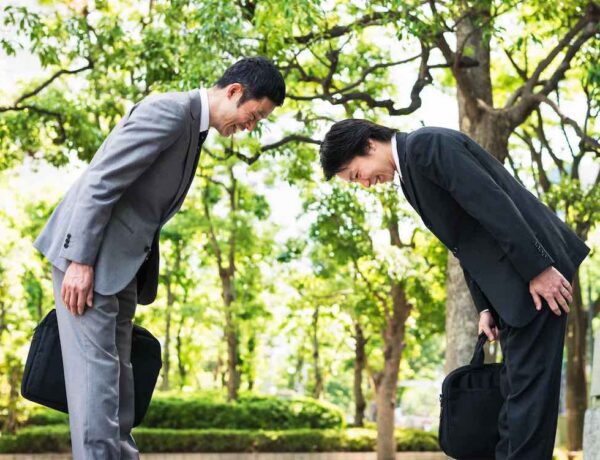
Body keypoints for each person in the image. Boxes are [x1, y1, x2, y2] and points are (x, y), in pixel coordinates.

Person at [33, 56, 286, 459]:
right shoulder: (168, 111)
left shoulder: (192, 127)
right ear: (235, 91)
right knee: (95, 383)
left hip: (121, 268)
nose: (250, 127)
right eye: (253, 116)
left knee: (118, 380)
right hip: (89, 260)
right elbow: (101, 180)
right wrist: (79, 261)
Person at [318, 119, 590, 460]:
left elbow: (493, 206)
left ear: (370, 144)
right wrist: (485, 307)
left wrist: (539, 270)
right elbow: (465, 241)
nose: (366, 185)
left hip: (535, 278)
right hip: (512, 287)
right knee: (517, 393)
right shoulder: (410, 174)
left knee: (528, 399)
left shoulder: (426, 146)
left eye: (357, 175)